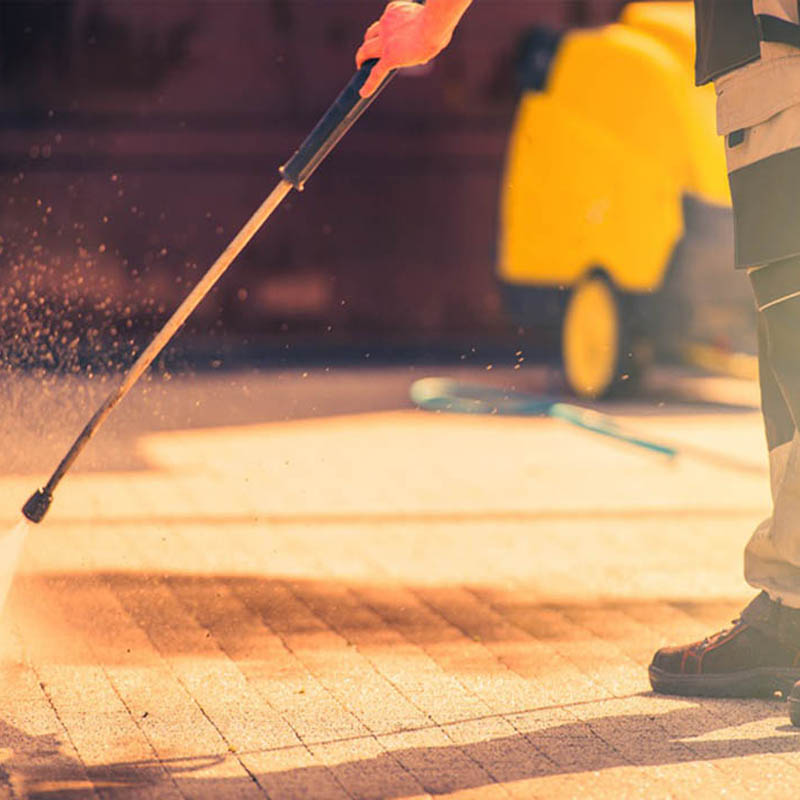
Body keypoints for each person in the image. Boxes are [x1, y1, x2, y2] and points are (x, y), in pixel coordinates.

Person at [358, 0, 800, 723]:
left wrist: (435, 18)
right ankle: (793, 610)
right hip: (770, 59)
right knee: (790, 338)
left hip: (785, 55)